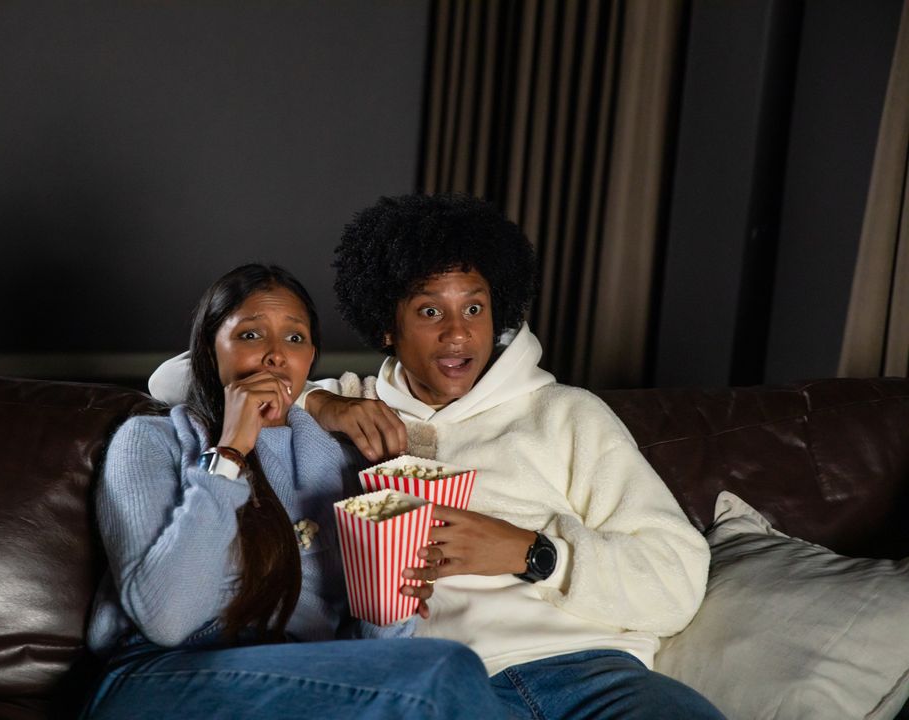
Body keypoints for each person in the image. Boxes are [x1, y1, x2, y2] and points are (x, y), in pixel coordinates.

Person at [150, 197, 725, 720]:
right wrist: (317, 401)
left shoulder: (567, 416)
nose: (458, 334)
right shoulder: (353, 406)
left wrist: (532, 552)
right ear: (387, 327)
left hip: (591, 673)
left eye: (474, 309)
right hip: (436, 687)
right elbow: (176, 380)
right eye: (430, 312)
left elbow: (675, 582)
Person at [85, 263, 508, 720]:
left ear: (310, 359)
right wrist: (231, 452)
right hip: (164, 675)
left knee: (440, 672)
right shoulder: (152, 441)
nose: (275, 355)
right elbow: (166, 619)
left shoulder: (345, 464)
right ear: (208, 350)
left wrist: (391, 600)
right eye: (250, 335)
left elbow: (366, 644)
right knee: (445, 669)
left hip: (301, 677)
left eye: (294, 338)